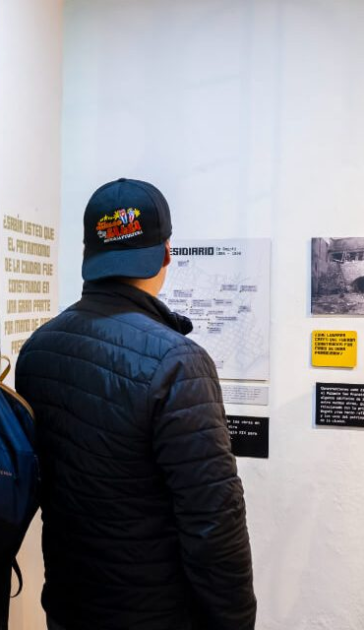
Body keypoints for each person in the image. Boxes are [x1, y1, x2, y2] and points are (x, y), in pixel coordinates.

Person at [15, 178, 256, 629]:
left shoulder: (39, 349)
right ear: (166, 254)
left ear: (90, 255)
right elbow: (214, 522)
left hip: (69, 603)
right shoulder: (178, 362)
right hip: (157, 613)